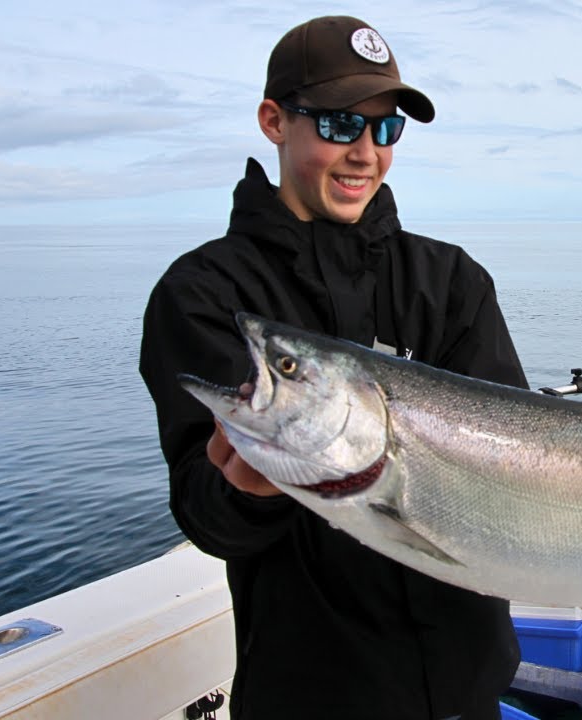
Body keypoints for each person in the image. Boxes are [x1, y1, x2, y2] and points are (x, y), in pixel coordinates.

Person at [139, 16, 528, 719]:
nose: (365, 154)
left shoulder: (450, 281)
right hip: (312, 696)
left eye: (385, 129)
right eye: (340, 124)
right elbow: (206, 515)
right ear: (274, 122)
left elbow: (514, 469)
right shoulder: (206, 296)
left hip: (468, 693)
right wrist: (248, 490)